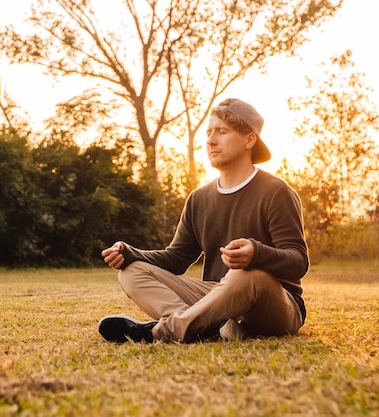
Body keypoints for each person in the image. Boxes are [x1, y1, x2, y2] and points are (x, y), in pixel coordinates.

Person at [98, 98, 308, 344]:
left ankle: (162, 331)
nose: (210, 140)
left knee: (242, 275)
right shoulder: (198, 199)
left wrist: (257, 254)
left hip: (274, 304)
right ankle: (205, 326)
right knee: (131, 273)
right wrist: (131, 254)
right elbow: (176, 259)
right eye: (208, 132)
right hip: (217, 299)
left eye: (221, 131)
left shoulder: (276, 192)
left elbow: (298, 261)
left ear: (249, 140)